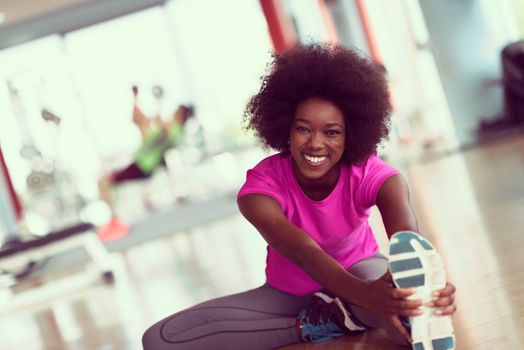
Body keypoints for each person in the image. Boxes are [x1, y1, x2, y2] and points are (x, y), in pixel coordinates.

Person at [141, 42, 456, 349]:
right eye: (304, 129)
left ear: (351, 135)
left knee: (402, 313)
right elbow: (306, 253)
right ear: (286, 129)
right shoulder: (260, 189)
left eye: (331, 132)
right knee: (161, 339)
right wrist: (365, 296)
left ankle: (373, 313)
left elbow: (407, 241)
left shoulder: (372, 174)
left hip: (362, 272)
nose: (316, 144)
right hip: (289, 295)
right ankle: (322, 322)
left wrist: (415, 285)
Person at [97, 86, 194, 242]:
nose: (174, 111)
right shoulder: (167, 127)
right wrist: (136, 98)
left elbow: (159, 126)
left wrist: (156, 104)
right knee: (103, 182)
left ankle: (115, 221)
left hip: (143, 167)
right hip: (141, 165)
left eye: (178, 110)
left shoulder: (174, 129)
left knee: (103, 182)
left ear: (182, 115)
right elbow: (139, 120)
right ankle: (115, 219)